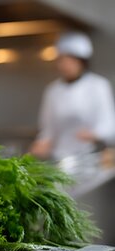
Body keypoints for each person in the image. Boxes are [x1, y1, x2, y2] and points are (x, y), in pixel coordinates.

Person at [30, 31, 115, 161]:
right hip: (60, 158)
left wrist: (95, 134)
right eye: (61, 61)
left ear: (82, 62)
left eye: (70, 61)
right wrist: (43, 142)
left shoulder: (98, 85)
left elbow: (109, 124)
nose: (64, 65)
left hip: (91, 157)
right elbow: (47, 128)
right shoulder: (53, 90)